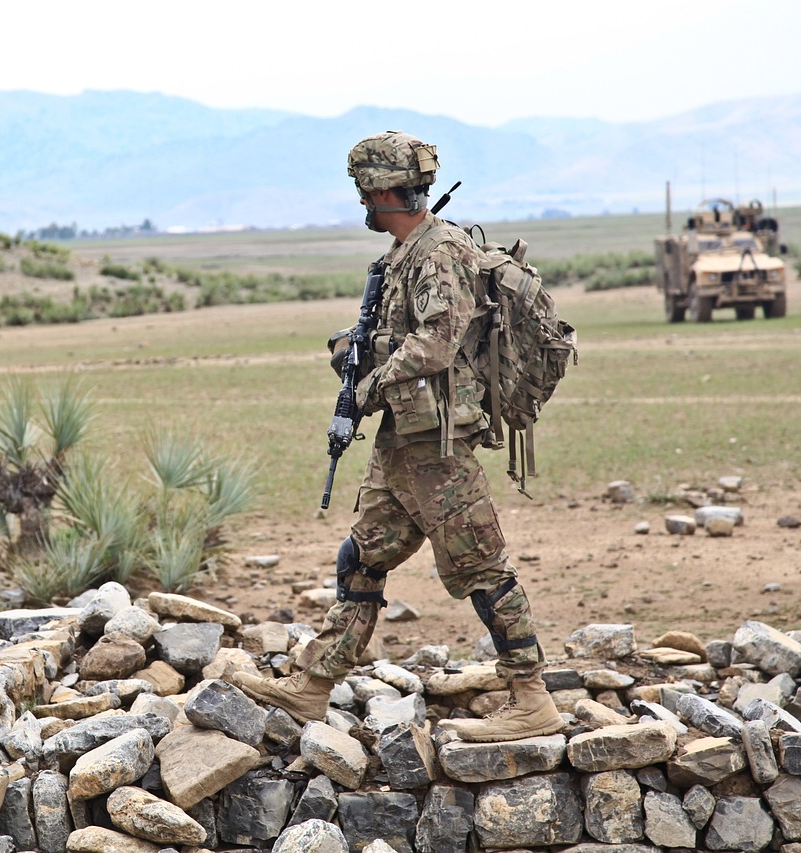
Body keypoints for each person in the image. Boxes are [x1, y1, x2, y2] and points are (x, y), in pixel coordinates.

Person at [232, 130, 564, 743]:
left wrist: (371, 384)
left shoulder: (439, 252)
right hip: (405, 441)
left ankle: (530, 697)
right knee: (364, 557)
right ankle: (313, 686)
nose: (362, 205)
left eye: (365, 193)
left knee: (482, 567)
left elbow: (437, 342)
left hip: (437, 444)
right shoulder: (403, 253)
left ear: (385, 189)